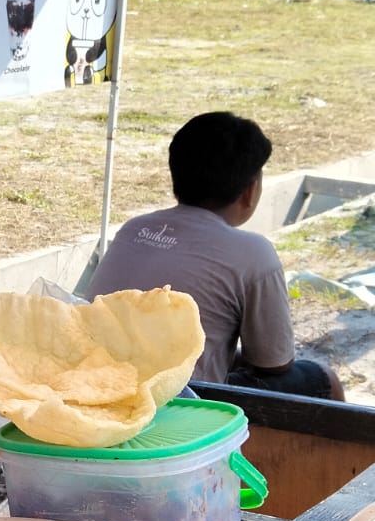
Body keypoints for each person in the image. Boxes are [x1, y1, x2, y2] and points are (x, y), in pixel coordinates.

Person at [86, 112, 345, 401]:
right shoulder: (253, 252)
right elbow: (274, 362)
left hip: (95, 383)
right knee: (324, 380)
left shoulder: (134, 228)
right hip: (183, 400)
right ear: (250, 191)